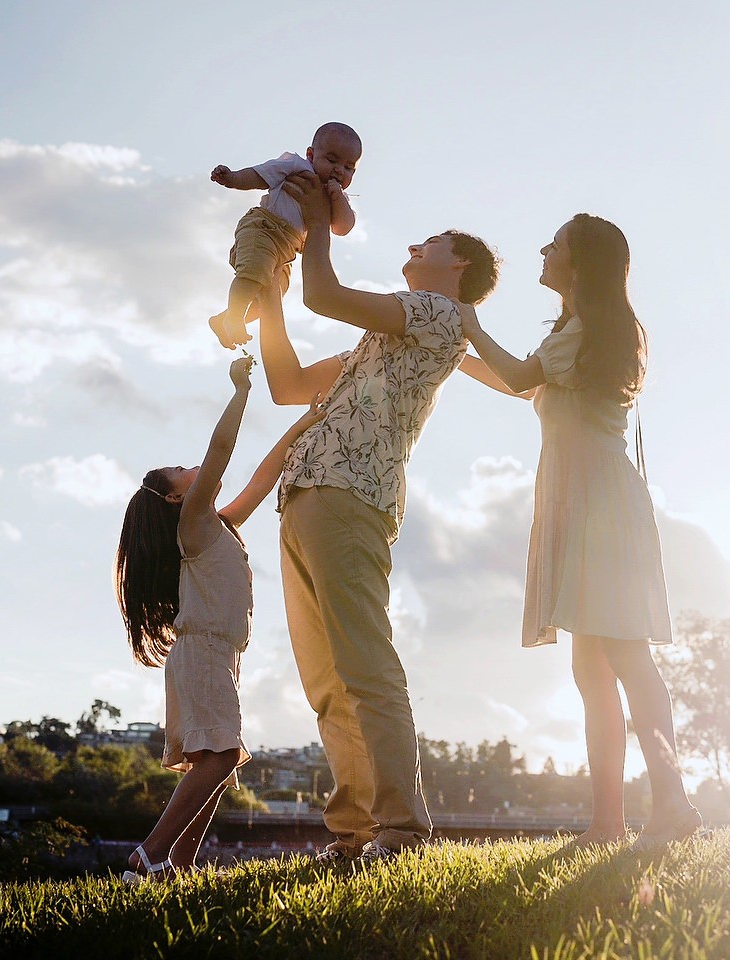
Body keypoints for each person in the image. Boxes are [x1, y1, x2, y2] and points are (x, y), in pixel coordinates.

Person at [254, 170, 499, 863]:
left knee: (366, 668)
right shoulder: (383, 337)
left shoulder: (437, 315)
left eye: (434, 241)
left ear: (458, 267)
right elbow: (288, 387)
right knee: (328, 682)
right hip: (306, 494)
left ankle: (400, 828)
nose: (417, 242)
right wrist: (271, 298)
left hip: (350, 496)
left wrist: (307, 224)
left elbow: (326, 293)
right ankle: (355, 829)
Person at [459, 214, 702, 850]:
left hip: (599, 505)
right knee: (593, 669)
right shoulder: (577, 333)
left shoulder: (587, 330)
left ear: (578, 264)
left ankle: (672, 802)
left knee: (622, 655)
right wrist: (460, 354)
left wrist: (465, 320)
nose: (543, 248)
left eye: (556, 244)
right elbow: (520, 382)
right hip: (590, 501)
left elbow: (516, 376)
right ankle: (608, 822)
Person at [114, 356, 323, 881]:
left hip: (214, 655)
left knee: (216, 760)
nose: (193, 470)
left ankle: (177, 866)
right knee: (222, 757)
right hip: (204, 651)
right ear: (174, 496)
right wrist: (241, 390)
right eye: (181, 471)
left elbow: (259, 479)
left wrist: (301, 425)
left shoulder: (215, 526)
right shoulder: (191, 523)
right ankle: (150, 854)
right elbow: (221, 452)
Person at [208, 121, 362, 350]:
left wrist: (337, 198)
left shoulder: (337, 197)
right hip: (264, 227)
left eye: (348, 167)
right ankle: (235, 317)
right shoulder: (297, 166)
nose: (339, 170)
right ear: (311, 155)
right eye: (332, 160)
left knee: (272, 297)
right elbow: (260, 175)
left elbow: (343, 227)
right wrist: (232, 179)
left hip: (287, 250)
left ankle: (224, 319)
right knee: (253, 273)